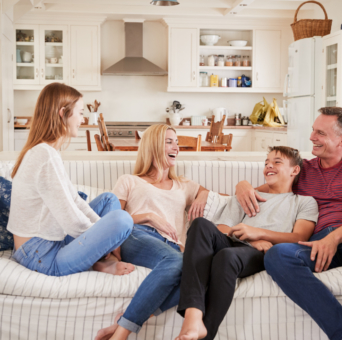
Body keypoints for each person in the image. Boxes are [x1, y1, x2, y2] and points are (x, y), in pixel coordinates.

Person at [235, 107, 342, 340]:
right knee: (277, 256)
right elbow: (260, 190)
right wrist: (241, 185)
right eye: (313, 130)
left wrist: (334, 238)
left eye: (320, 133)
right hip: (314, 244)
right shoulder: (304, 170)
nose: (312, 137)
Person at [175, 146, 319, 340]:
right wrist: (250, 236)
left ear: (295, 170)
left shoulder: (304, 202)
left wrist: (259, 234)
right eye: (266, 162)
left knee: (226, 257)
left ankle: (205, 334)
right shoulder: (247, 195)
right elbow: (223, 228)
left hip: (261, 253)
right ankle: (193, 316)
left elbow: (298, 237)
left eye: (277, 162)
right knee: (200, 224)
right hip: (234, 242)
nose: (269, 166)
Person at [8, 82, 135, 277]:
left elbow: (74, 200)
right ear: (63, 113)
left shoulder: (46, 151)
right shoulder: (44, 156)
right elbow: (72, 222)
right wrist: (102, 238)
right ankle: (101, 261)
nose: (83, 120)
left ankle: (99, 260)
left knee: (109, 199)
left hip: (43, 245)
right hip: (40, 255)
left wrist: (102, 237)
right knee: (123, 220)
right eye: (80, 112)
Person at [95, 124, 209, 340]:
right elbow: (111, 222)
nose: (176, 146)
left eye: (177, 142)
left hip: (173, 247)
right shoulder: (129, 180)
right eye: (169, 141)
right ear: (154, 146)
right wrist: (149, 216)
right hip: (137, 234)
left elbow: (213, 195)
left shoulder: (183, 185)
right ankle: (122, 334)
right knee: (177, 261)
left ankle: (122, 324)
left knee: (198, 275)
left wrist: (203, 194)